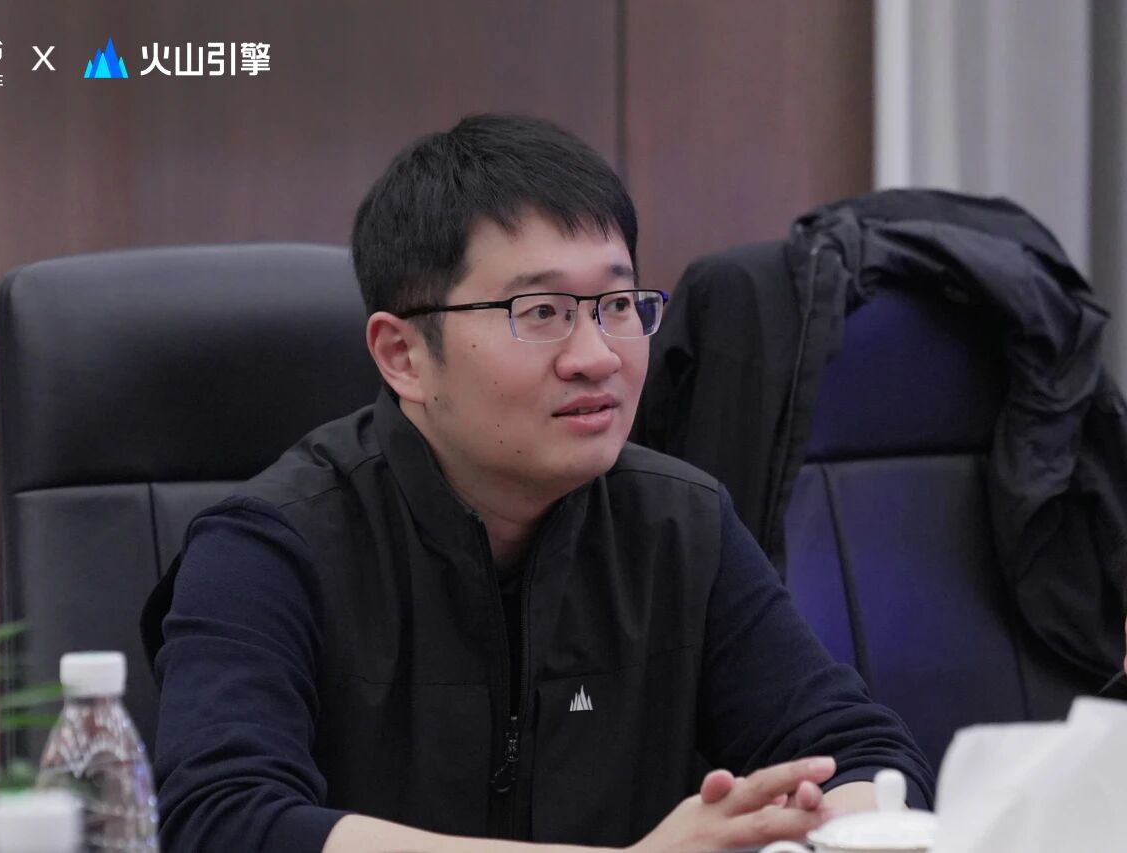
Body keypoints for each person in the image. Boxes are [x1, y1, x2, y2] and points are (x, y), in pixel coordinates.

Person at [141, 114, 933, 852]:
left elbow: (858, 751)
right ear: (402, 355)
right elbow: (225, 819)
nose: (597, 355)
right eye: (543, 310)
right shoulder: (266, 545)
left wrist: (840, 821)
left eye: (616, 303)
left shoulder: (679, 523)